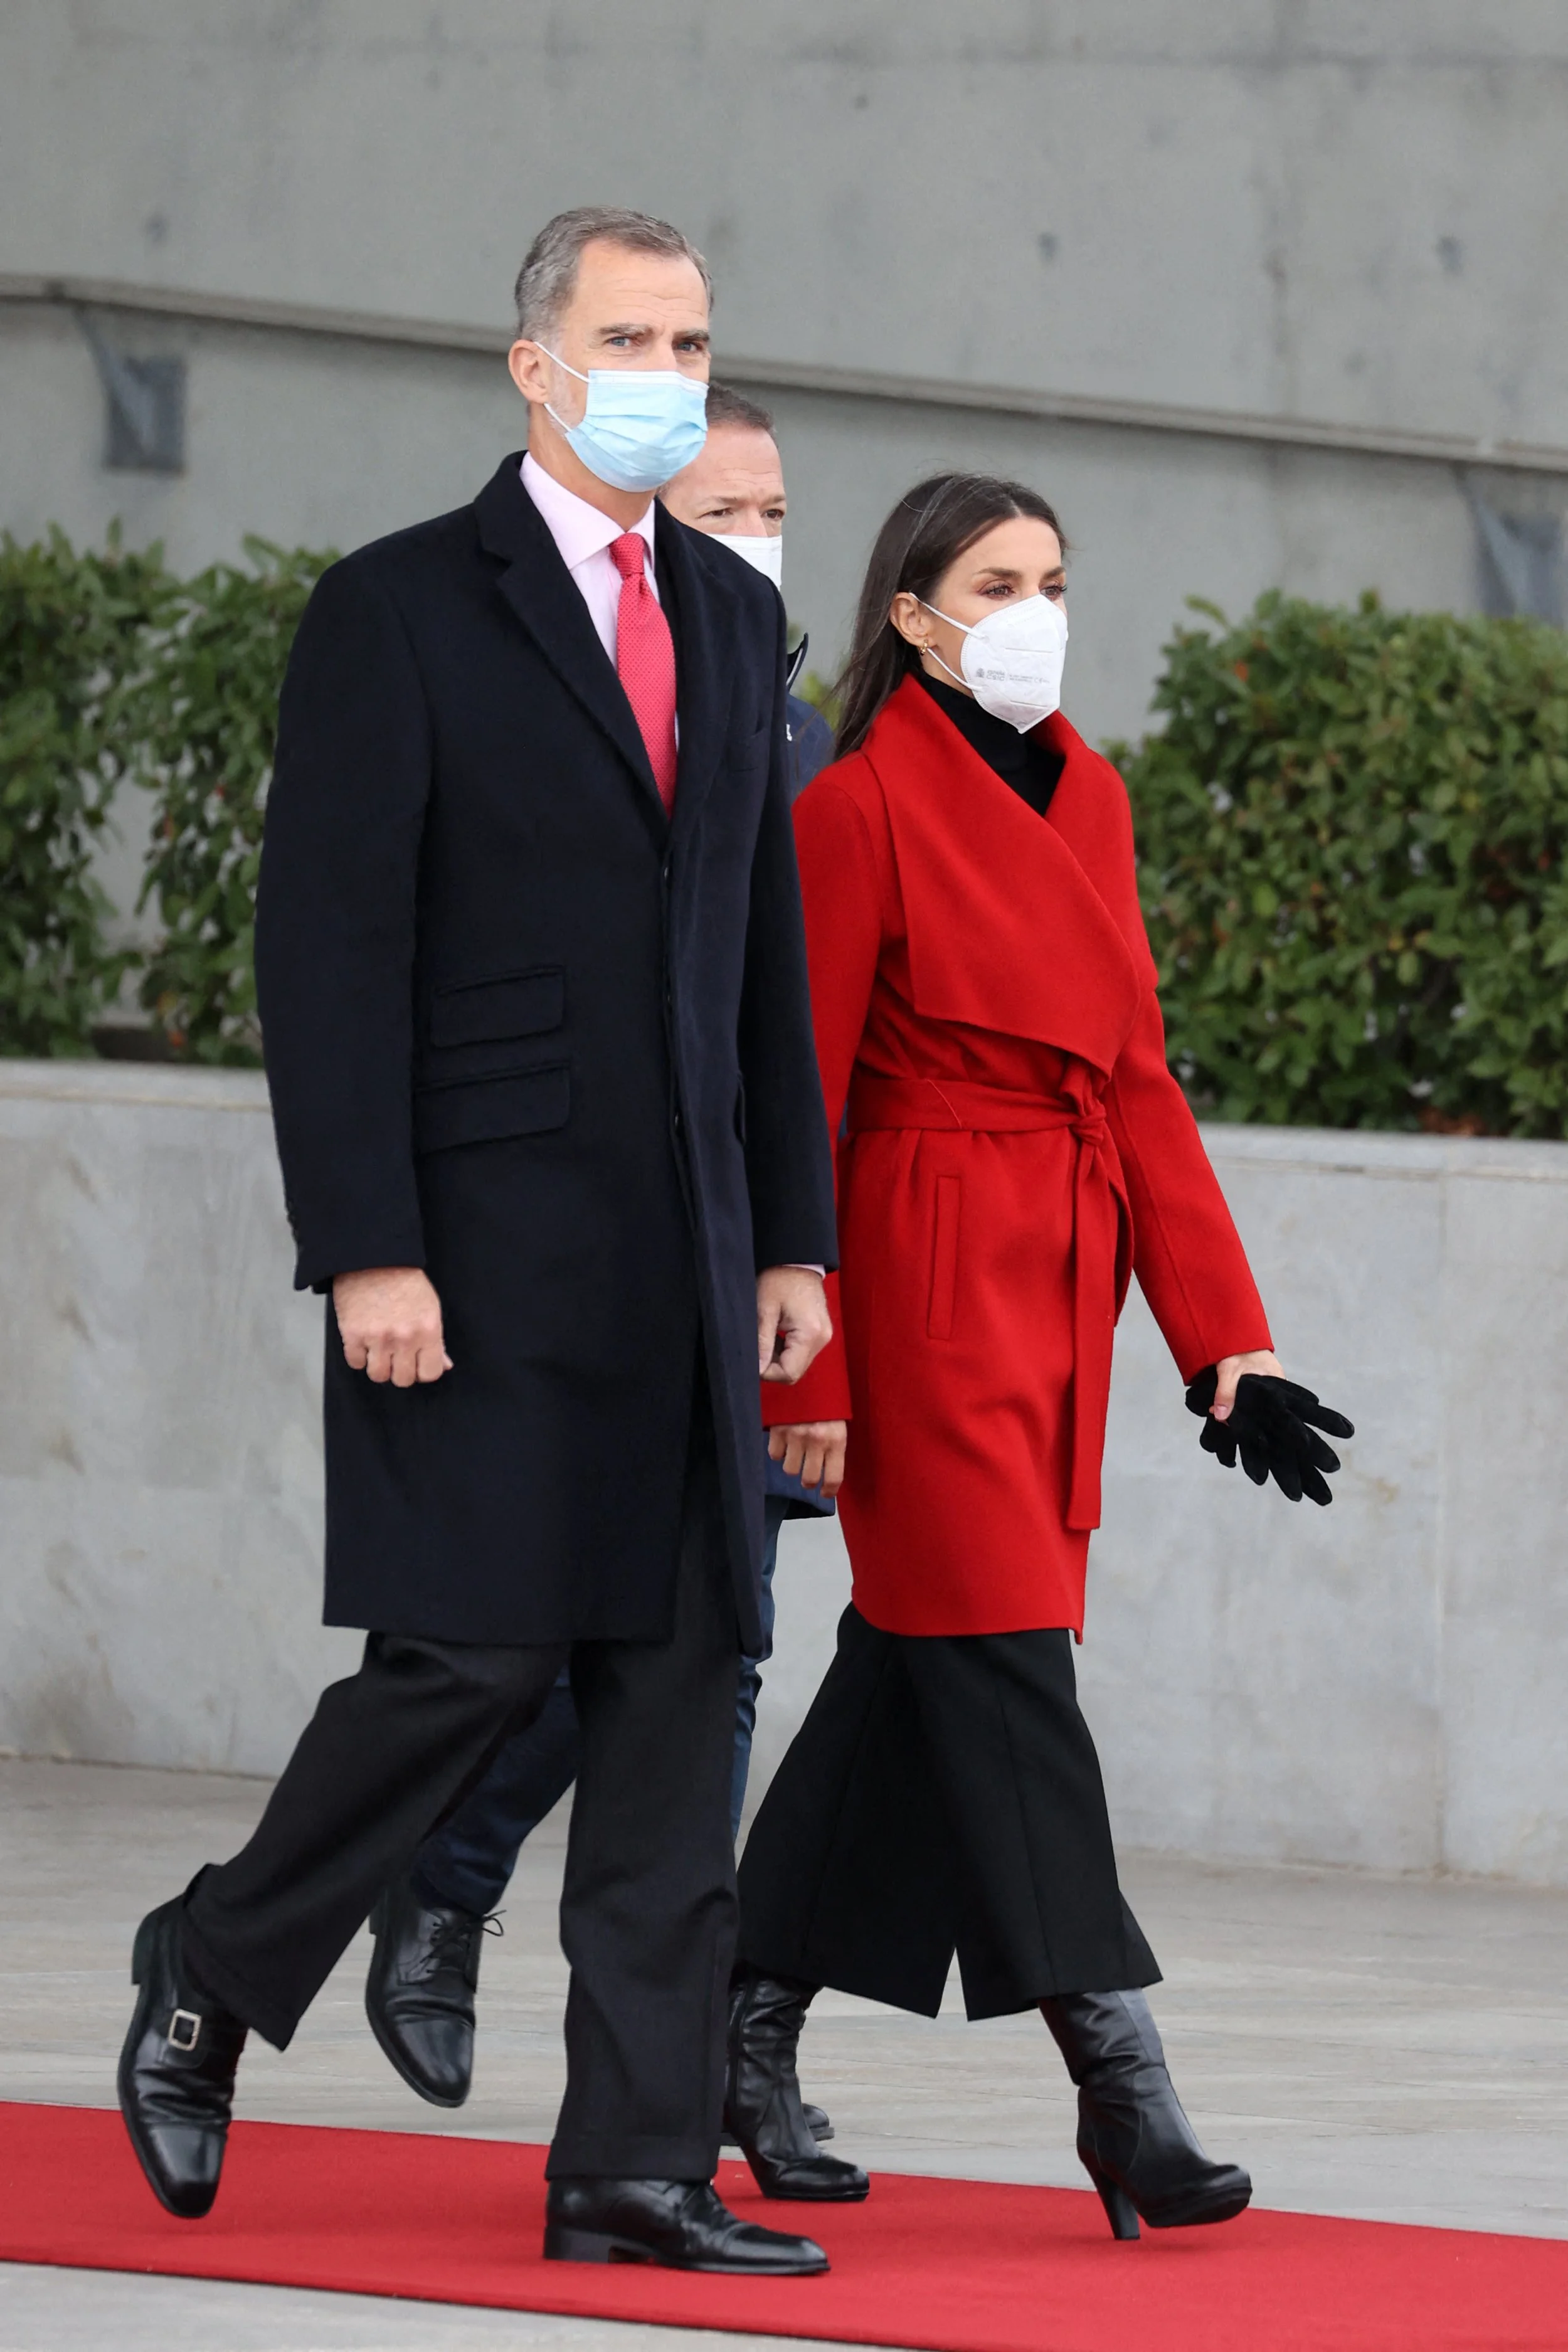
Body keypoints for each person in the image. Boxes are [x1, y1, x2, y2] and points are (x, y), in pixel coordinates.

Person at [115, 206, 843, 2278]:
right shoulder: (399, 609)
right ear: (533, 363)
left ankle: (631, 2161)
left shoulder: (722, 614)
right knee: (468, 1659)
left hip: (688, 1260)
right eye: (629, 333)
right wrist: (366, 1244)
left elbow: (755, 955)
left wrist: (793, 1232)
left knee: (675, 1693)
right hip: (474, 1250)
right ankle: (210, 1961)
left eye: (692, 338)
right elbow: (324, 953)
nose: (667, 371)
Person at [723, 472, 1352, 2233]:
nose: (1034, 609)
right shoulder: (851, 813)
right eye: (996, 581)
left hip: (1056, 1293)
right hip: (910, 1301)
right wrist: (808, 1374)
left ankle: (737, 2023)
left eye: (1053, 578)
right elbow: (802, 1111)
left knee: (918, 1679)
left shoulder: (1093, 795)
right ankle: (1119, 2082)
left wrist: (1223, 1343)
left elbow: (1132, 1076)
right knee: (1003, 1674)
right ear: (913, 616)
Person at [360, 384, 844, 2148]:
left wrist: (809, 1285)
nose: (746, 547)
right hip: (562, 1260)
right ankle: (443, 1882)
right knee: (548, 1646)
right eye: (718, 516)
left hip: (748, 1277)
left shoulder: (798, 745)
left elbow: (796, 1036)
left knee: (712, 1658)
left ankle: (697, 2066)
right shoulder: (491, 664)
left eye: (769, 512)